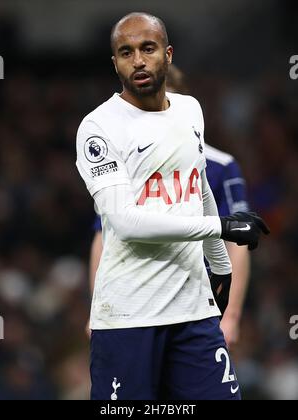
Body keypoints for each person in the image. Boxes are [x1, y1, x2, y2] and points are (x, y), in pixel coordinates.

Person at [76, 12, 269, 400]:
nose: (138, 60)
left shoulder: (189, 110)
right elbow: (127, 223)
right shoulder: (98, 128)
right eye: (126, 52)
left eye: (147, 48)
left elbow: (197, 189)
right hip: (129, 316)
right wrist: (223, 228)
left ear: (167, 54)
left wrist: (221, 264)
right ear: (115, 63)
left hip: (193, 310)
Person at [89, 65, 251, 350]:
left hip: (197, 302)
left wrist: (232, 315)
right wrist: (98, 309)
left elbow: (235, 243)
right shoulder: (121, 163)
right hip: (135, 303)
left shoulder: (221, 167)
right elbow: (104, 237)